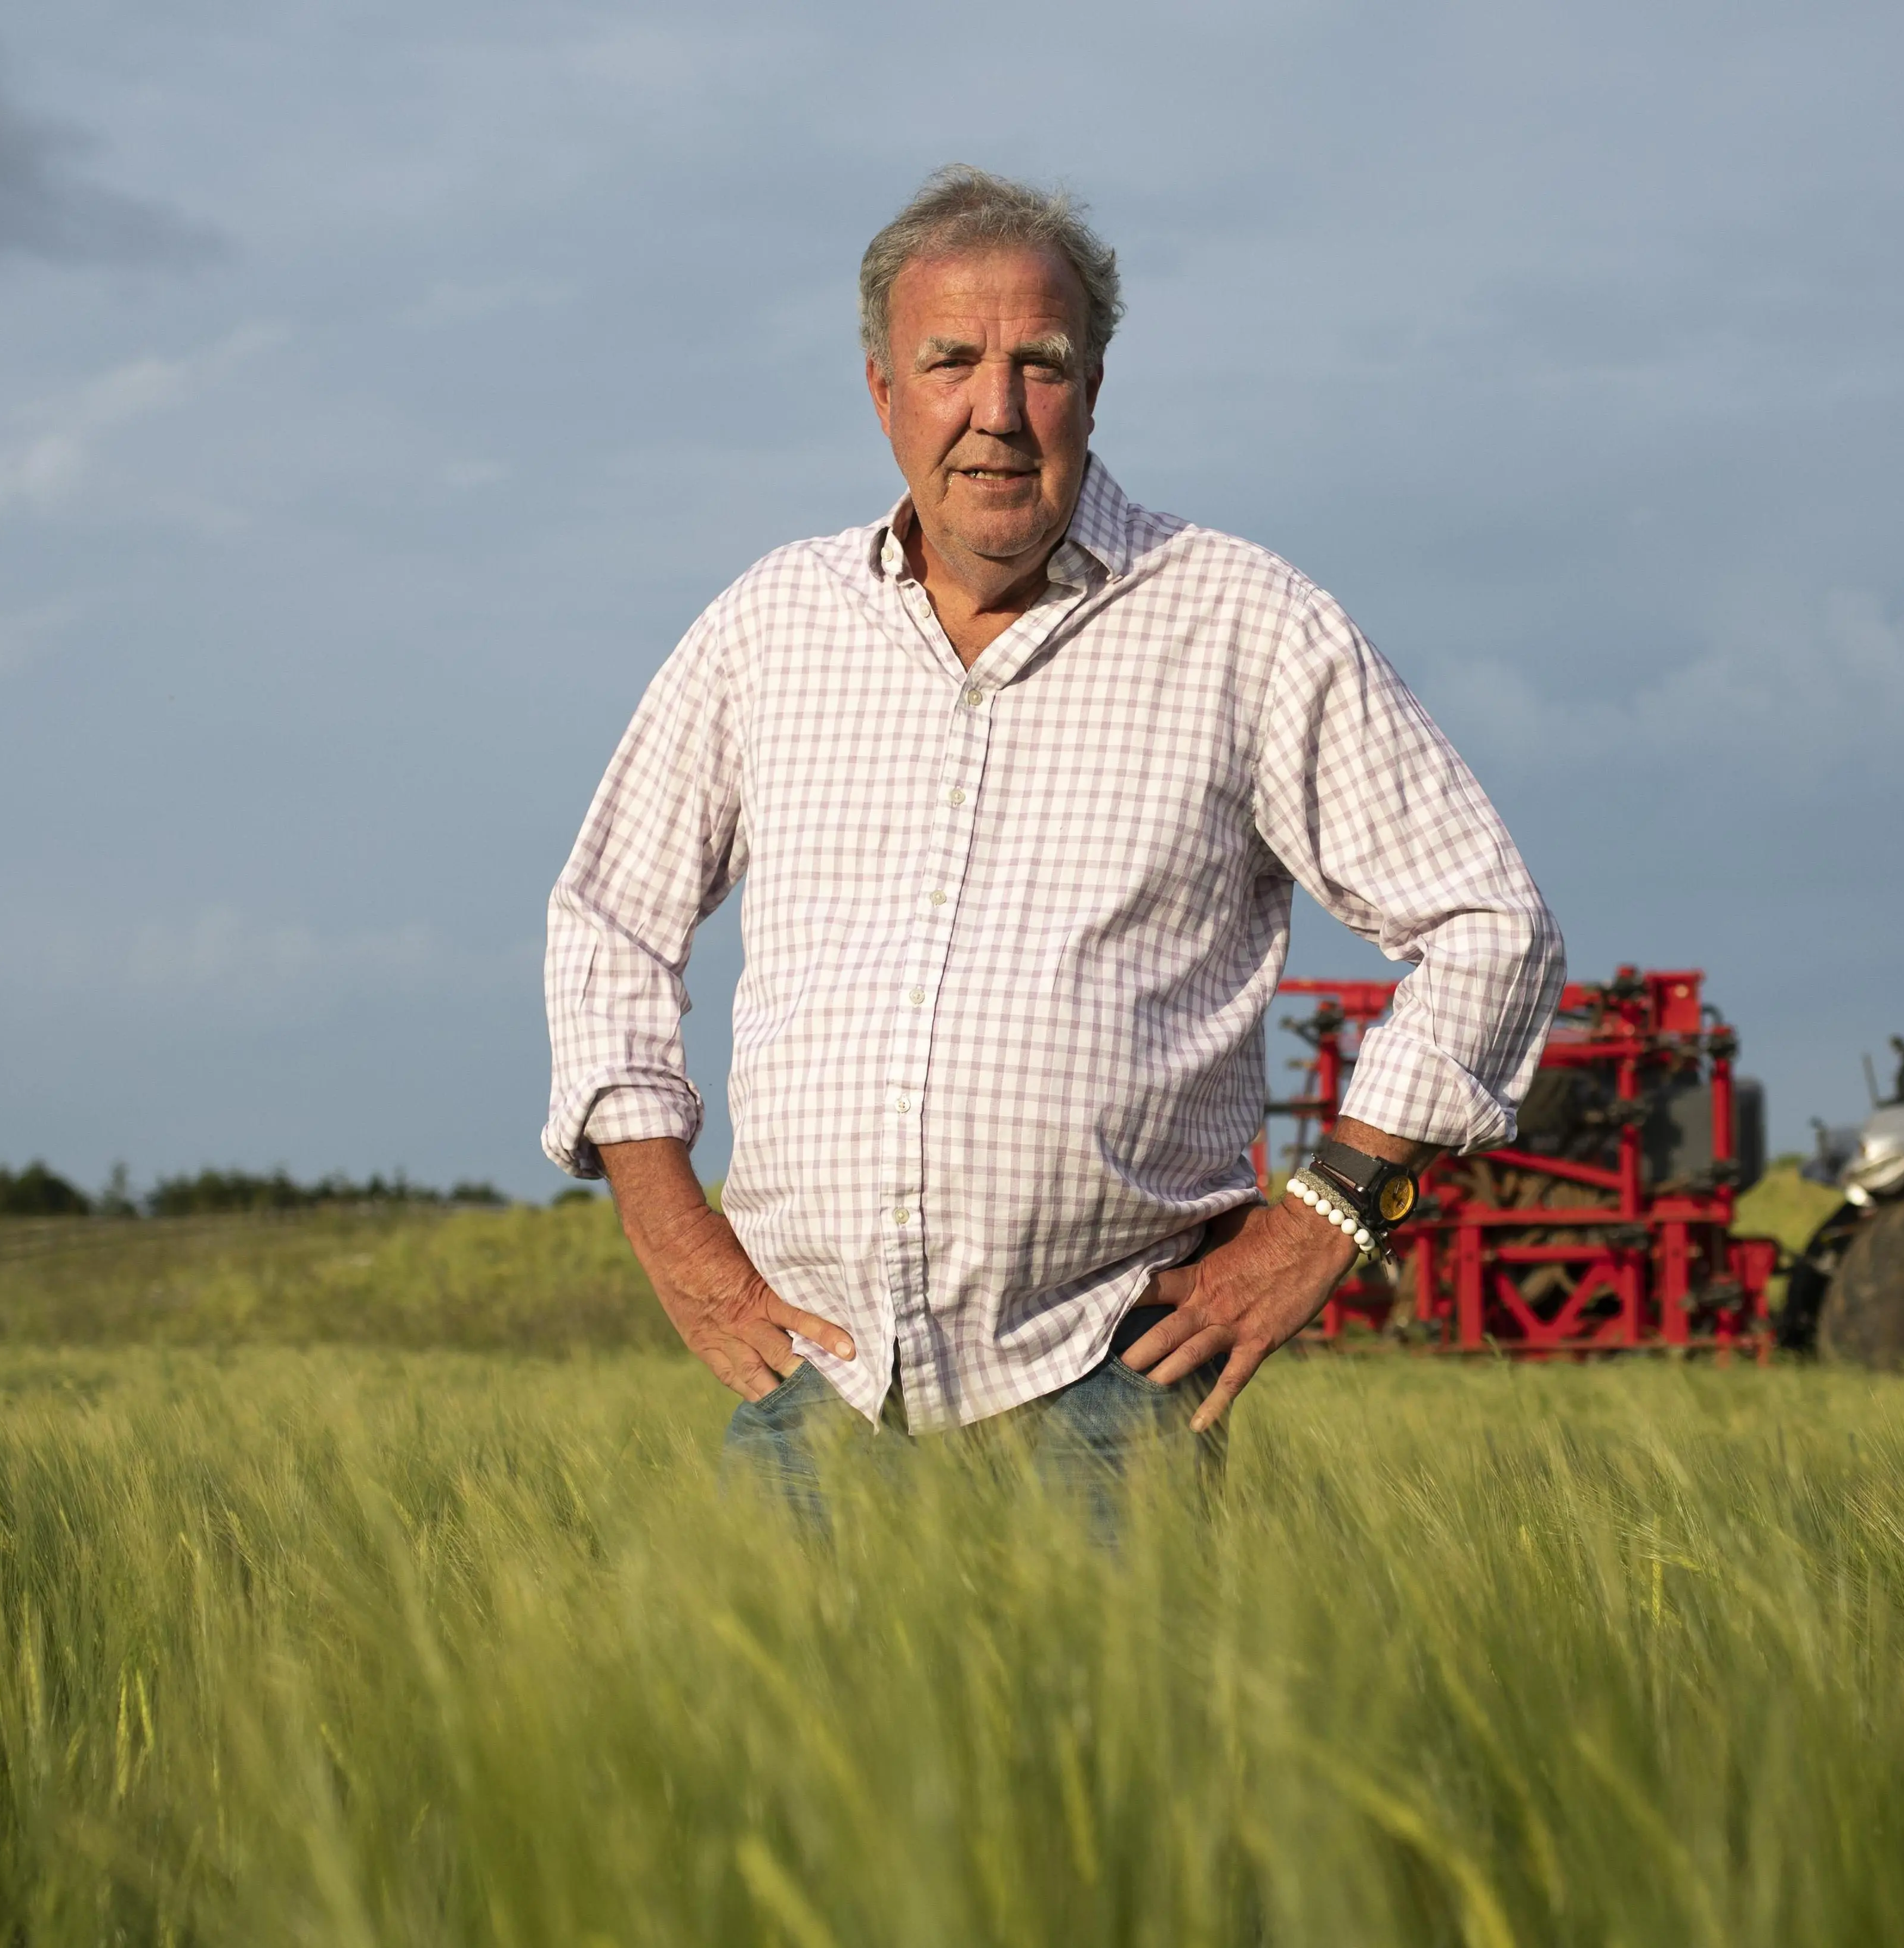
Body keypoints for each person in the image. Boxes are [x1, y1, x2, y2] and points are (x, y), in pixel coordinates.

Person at [541, 166, 1563, 1496]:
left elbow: (1490, 926)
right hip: (815, 1392)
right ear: (881, 393)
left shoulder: (1242, 625)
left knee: (1120, 1723)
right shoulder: (767, 627)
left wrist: (1332, 1212)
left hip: (1112, 1393)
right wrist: (676, 1237)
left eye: (1043, 364)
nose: (996, 413)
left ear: (1093, 391)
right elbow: (607, 921)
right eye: (950, 361)